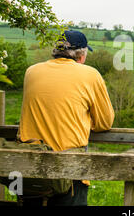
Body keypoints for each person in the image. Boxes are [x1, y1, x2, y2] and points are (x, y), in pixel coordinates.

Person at [17, 30, 115, 206]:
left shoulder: (31, 71)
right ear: (81, 55)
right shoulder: (90, 75)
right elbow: (104, 123)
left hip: (30, 168)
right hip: (69, 169)